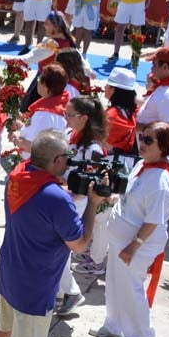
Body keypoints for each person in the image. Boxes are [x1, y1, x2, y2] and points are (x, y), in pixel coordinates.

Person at [0, 129, 103, 337]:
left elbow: (44, 202)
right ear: (57, 160)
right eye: (67, 158)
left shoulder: (18, 176)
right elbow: (79, 245)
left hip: (11, 270)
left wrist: (72, 196)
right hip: (35, 282)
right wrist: (92, 203)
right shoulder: (57, 199)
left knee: (3, 328)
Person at [90, 122, 169, 337]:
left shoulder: (161, 181)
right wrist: (112, 198)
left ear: (163, 147)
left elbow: (153, 220)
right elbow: (129, 195)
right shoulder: (142, 165)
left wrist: (134, 246)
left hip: (137, 244)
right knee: (114, 282)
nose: (142, 143)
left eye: (149, 140)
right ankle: (113, 324)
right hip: (121, 238)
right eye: (142, 137)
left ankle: (141, 332)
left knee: (131, 286)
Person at [62, 95, 110, 290]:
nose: (66, 118)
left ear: (84, 118)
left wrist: (69, 192)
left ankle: (69, 291)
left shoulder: (93, 148)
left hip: (78, 200)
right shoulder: (70, 134)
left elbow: (91, 182)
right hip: (66, 195)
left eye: (69, 114)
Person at [17, 63, 70, 156]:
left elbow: (33, 147)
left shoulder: (44, 114)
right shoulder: (61, 106)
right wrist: (22, 126)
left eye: (39, 79)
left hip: (35, 165)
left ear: (45, 85)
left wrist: (15, 140)